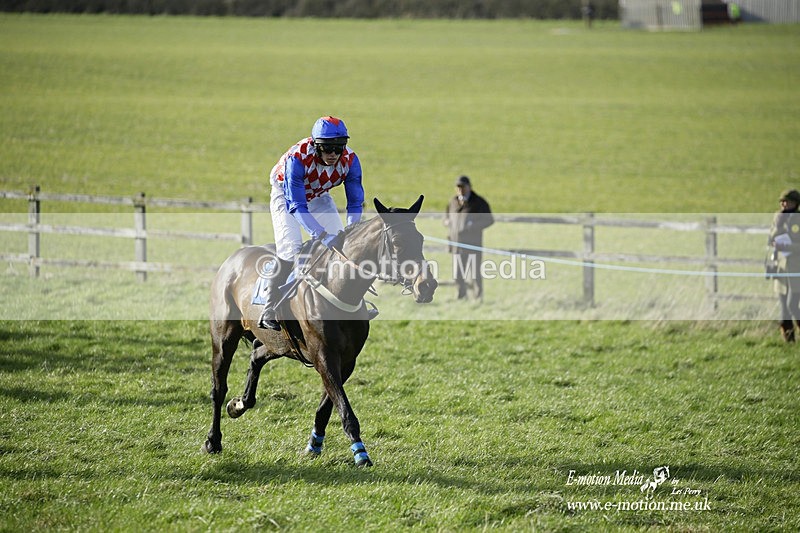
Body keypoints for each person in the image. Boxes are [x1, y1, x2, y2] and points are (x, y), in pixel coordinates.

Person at [258, 116, 364, 330]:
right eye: (327, 148)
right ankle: (269, 307)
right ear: (316, 146)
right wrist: (321, 235)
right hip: (286, 196)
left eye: (338, 148)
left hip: (318, 195)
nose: (333, 154)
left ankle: (349, 302)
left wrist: (351, 230)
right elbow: (297, 205)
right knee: (291, 248)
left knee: (344, 246)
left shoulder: (351, 160)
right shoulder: (298, 158)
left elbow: (355, 202)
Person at [443, 175, 494, 301]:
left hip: (473, 244)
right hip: (456, 244)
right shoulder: (453, 202)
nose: (460, 189)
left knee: (475, 273)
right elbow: (446, 217)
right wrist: (447, 222)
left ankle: (478, 297)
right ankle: (461, 296)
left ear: (469, 187)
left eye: (463, 187)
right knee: (458, 274)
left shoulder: (478, 202)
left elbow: (489, 220)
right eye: (458, 187)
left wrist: (473, 226)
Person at [769, 189, 800, 342]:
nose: (784, 205)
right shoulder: (778, 218)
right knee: (784, 313)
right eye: (782, 202)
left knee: (792, 306)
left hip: (796, 268)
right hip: (781, 268)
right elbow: (771, 239)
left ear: (796, 204)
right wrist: (778, 226)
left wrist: (788, 247)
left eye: (788, 202)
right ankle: (789, 343)